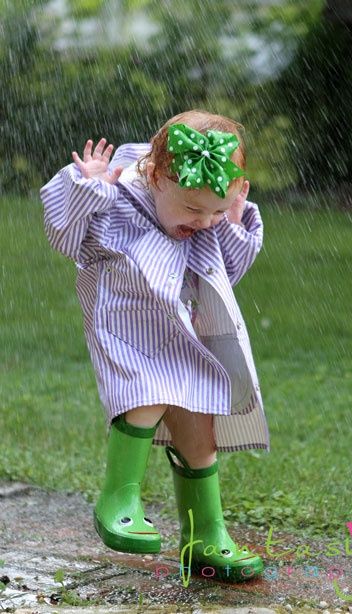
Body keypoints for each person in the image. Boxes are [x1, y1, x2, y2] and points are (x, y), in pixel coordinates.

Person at [40, 109, 270, 583]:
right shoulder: (118, 194)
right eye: (193, 210)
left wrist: (232, 215)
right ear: (158, 176)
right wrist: (90, 185)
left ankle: (204, 535)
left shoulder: (211, 219)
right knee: (146, 397)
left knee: (198, 435)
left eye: (213, 210)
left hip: (190, 337)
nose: (203, 222)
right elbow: (65, 236)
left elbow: (233, 266)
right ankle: (119, 496)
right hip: (132, 328)